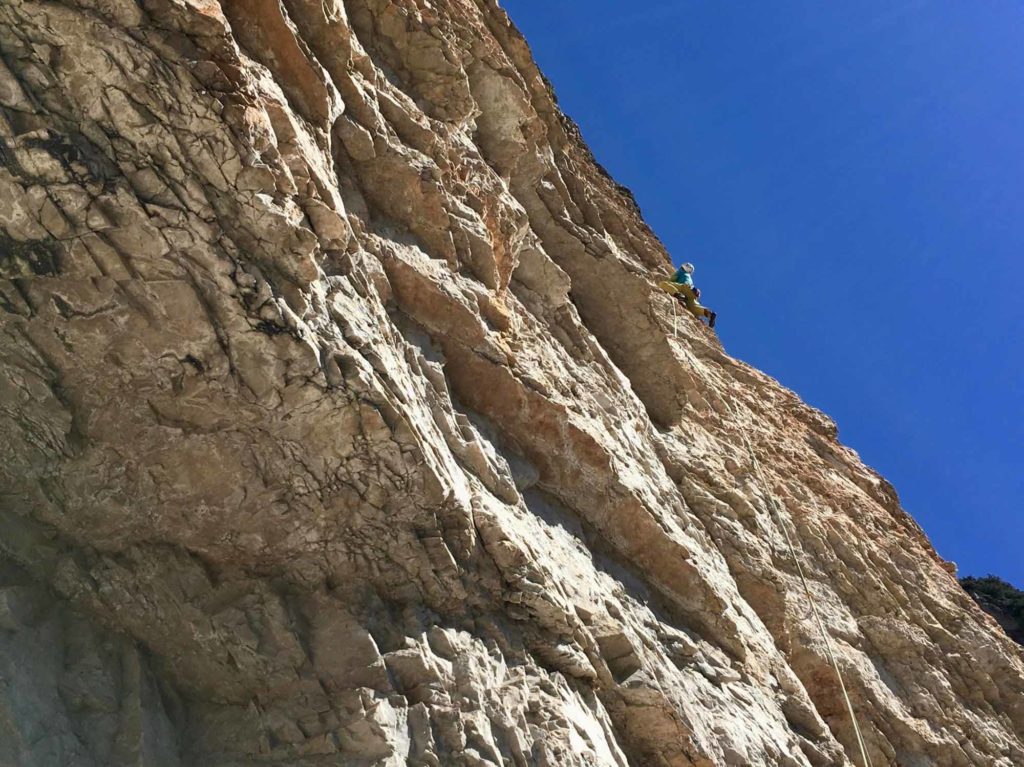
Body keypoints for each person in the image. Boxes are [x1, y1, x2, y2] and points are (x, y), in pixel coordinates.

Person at [662, 262, 717, 328]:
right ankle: (709, 314)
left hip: (683, 288)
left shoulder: (680, 272)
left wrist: (671, 289)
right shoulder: (689, 278)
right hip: (692, 293)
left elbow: (671, 281)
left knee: (663, 284)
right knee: (694, 307)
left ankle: (678, 295)